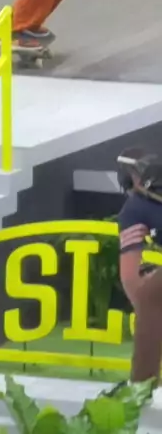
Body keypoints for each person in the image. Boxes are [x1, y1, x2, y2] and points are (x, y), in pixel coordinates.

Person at [108, 148, 162, 394]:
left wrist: (148, 314)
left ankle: (141, 386)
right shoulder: (139, 206)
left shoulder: (135, 207)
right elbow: (132, 278)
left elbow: (130, 279)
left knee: (149, 295)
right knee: (152, 292)